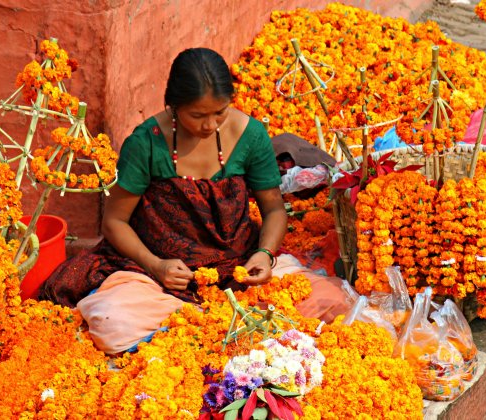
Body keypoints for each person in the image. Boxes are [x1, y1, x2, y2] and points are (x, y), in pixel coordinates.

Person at [39, 47, 349, 354]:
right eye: (197, 115)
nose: (210, 125)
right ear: (172, 106)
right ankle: (212, 326)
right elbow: (114, 222)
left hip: (237, 265)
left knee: (330, 301)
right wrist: (157, 265)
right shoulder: (145, 143)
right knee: (113, 322)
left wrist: (264, 256)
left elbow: (273, 211)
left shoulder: (250, 135)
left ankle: (213, 325)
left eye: (220, 113)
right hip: (157, 274)